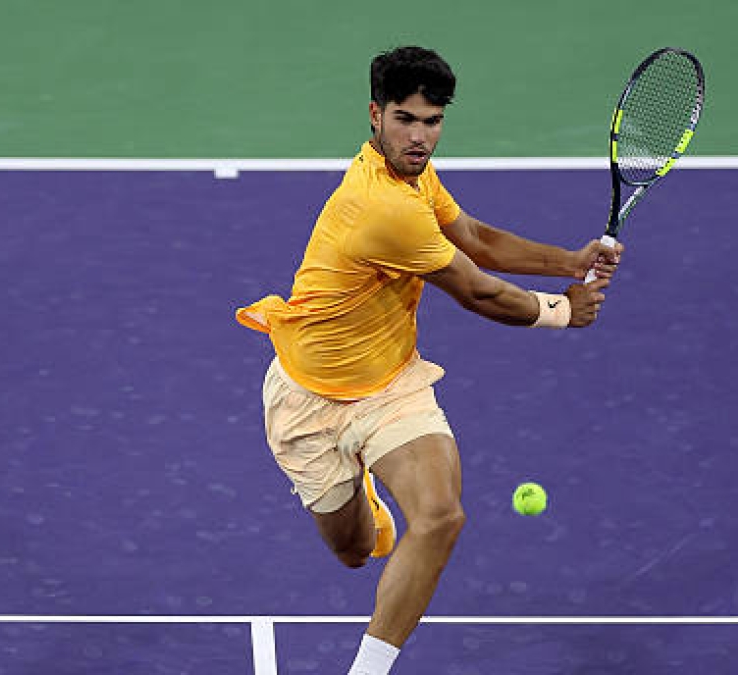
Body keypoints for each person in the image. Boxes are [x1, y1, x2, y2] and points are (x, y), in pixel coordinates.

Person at [235, 45, 622, 675]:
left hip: (391, 388)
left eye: (432, 121)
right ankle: (359, 487)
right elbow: (476, 290)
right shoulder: (382, 206)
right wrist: (561, 310)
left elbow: (472, 238)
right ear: (375, 116)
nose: (420, 136)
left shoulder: (415, 178)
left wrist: (569, 262)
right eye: (406, 119)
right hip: (307, 399)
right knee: (356, 551)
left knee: (441, 517)